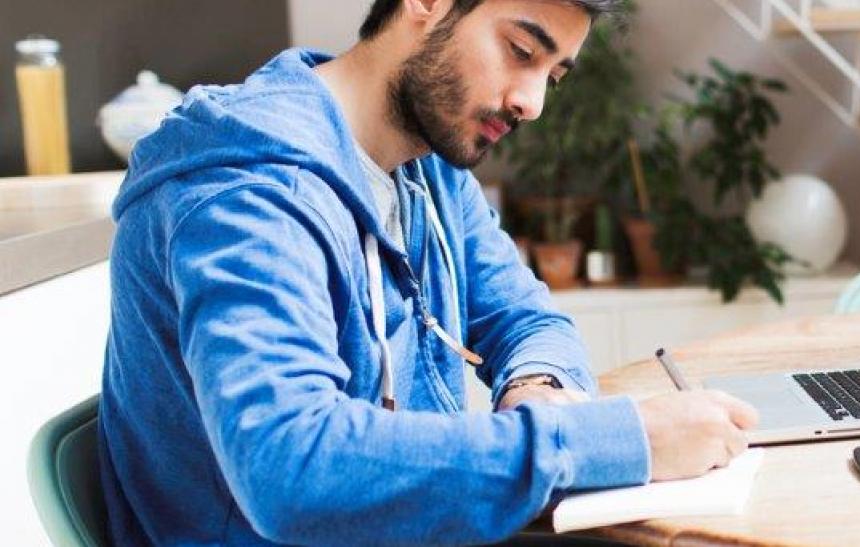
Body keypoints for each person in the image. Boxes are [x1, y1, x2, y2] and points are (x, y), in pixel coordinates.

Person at [99, 0, 758, 544]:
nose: (532, 102)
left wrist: (535, 383)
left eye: (553, 75)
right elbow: (293, 466)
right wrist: (622, 437)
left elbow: (525, 317)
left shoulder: (427, 169)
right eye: (521, 52)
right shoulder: (250, 197)